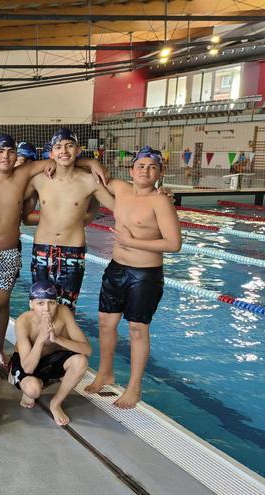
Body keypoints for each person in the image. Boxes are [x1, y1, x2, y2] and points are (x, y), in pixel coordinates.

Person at [0, 133, 107, 376]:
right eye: (0, 151)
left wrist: (91, 162)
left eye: (10, 151)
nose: (5, 156)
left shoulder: (24, 173)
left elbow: (59, 160)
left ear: (16, 155)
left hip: (8, 255)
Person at [85, 146, 181, 409]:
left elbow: (174, 244)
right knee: (106, 323)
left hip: (145, 274)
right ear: (131, 170)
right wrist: (91, 163)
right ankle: (105, 373)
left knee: (138, 329)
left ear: (160, 172)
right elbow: (88, 170)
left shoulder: (160, 201)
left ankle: (134, 387)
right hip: (117, 267)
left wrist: (133, 241)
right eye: (141, 166)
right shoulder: (120, 188)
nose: (145, 171)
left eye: (152, 167)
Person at [24, 128, 115, 311]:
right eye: (58, 147)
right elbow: (22, 214)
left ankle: (61, 341)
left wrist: (156, 196)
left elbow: (119, 208)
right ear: (51, 153)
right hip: (42, 250)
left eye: (69, 146)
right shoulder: (38, 180)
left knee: (66, 309)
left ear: (78, 150)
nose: (64, 151)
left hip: (72, 251)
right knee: (39, 308)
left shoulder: (90, 181)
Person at [9, 282, 92, 426]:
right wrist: (41, 339)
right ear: (31, 304)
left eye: (51, 303)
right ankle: (27, 378)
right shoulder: (23, 321)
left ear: (56, 303)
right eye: (40, 303)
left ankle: (56, 403)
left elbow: (87, 350)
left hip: (51, 360)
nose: (46, 309)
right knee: (33, 390)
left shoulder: (64, 312)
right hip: (27, 361)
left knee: (81, 361)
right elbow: (28, 368)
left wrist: (57, 339)